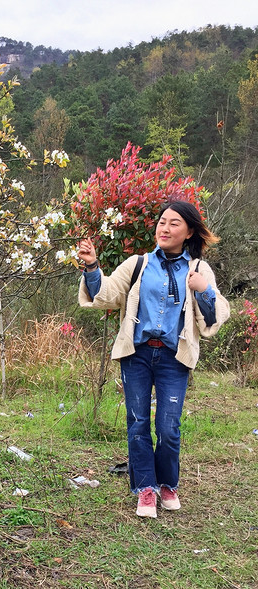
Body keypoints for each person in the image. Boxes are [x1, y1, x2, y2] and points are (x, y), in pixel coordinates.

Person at [77, 201, 230, 518]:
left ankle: (168, 484)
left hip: (175, 357)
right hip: (138, 355)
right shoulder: (138, 264)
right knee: (138, 424)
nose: (165, 228)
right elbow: (105, 293)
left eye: (174, 223)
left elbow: (212, 320)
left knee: (169, 427)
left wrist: (204, 291)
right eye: (162, 222)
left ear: (188, 232)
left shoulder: (199, 270)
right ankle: (146, 489)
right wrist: (92, 267)